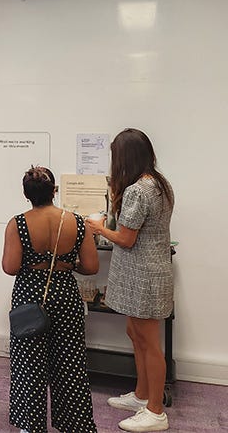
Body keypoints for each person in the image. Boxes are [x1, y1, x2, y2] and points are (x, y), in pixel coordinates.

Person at [86, 128, 174, 433]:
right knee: (135, 333)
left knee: (149, 343)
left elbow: (124, 238)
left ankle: (156, 411)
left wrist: (98, 228)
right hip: (146, 273)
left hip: (144, 277)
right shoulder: (159, 183)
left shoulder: (139, 189)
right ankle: (142, 395)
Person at [2, 166, 99, 433]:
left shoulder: (17, 223)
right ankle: (75, 425)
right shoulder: (77, 222)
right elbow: (91, 266)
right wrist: (67, 265)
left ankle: (31, 426)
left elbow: (10, 267)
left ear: (26, 194)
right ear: (54, 190)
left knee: (28, 364)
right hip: (66, 295)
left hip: (29, 297)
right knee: (70, 363)